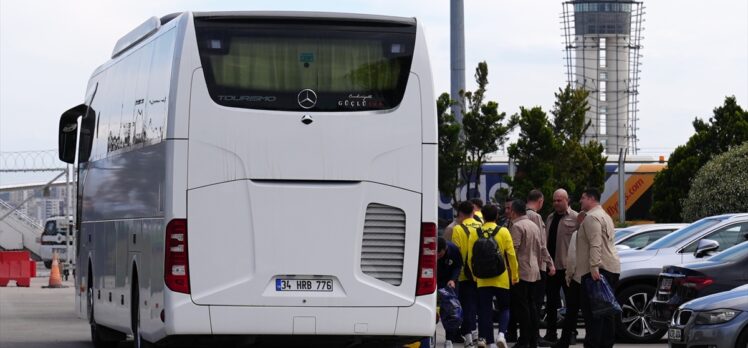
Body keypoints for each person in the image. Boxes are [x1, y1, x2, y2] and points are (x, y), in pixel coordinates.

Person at [467, 204, 519, 348]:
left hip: (482, 279)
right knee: (505, 307)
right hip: (501, 277)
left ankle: (488, 341)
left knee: (484, 310)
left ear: (482, 216)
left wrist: (475, 276)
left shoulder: (475, 233)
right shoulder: (503, 231)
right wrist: (514, 275)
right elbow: (511, 255)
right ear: (497, 216)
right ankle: (502, 334)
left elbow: (470, 258)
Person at [575, 188, 620, 348]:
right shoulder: (605, 216)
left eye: (583, 198)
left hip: (597, 270)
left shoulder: (592, 217)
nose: (580, 201)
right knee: (606, 311)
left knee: (593, 313)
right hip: (611, 267)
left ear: (590, 199)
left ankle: (594, 345)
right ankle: (607, 344)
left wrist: (594, 267)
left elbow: (595, 244)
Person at [540, 189, 579, 345]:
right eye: (554, 200)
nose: (556, 203)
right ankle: (551, 333)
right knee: (551, 302)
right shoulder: (550, 218)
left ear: (567, 200)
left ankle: (571, 333)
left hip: (568, 268)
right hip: (552, 268)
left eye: (559, 200)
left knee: (571, 303)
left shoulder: (575, 217)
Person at [508, 199, 543, 348]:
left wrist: (510, 272)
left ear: (514, 211)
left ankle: (524, 340)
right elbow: (540, 247)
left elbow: (512, 251)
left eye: (509, 210)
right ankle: (533, 339)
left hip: (520, 271)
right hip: (534, 270)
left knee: (522, 308)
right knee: (532, 306)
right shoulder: (534, 225)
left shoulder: (517, 226)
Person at [551, 212, 586, 348]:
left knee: (572, 309)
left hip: (576, 277)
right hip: (589, 277)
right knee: (589, 310)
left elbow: (571, 258)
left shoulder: (577, 235)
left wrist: (569, 276)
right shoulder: (594, 234)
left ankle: (566, 339)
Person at [452, 200, 484, 347]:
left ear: (460, 214)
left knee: (467, 305)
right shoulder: (481, 226)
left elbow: (456, 253)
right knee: (481, 305)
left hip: (465, 275)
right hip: (482, 274)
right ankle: (480, 334)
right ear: (473, 212)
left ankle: (469, 336)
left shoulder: (458, 229)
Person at [526, 190, 555, 346]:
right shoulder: (535, 217)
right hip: (537, 267)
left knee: (526, 304)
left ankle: (526, 336)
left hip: (524, 268)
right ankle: (534, 337)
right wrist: (550, 263)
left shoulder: (519, 215)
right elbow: (541, 243)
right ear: (540, 200)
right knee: (536, 304)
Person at [438, 237, 464, 347]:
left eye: (440, 254)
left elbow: (458, 266)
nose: (438, 256)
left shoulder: (453, 249)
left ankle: (450, 338)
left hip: (450, 282)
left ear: (446, 248)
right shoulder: (430, 250)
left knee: (451, 310)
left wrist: (453, 279)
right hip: (435, 280)